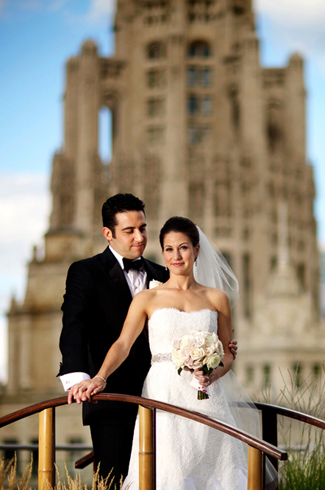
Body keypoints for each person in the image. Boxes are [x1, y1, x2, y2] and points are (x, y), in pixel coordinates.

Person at [69, 216, 269, 490]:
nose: (176, 256)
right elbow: (123, 344)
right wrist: (100, 377)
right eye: (169, 249)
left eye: (183, 248)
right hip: (162, 394)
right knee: (167, 470)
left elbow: (227, 353)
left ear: (197, 250)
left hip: (207, 397)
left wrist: (213, 374)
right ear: (162, 252)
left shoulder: (218, 298)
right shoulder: (147, 298)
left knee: (214, 469)